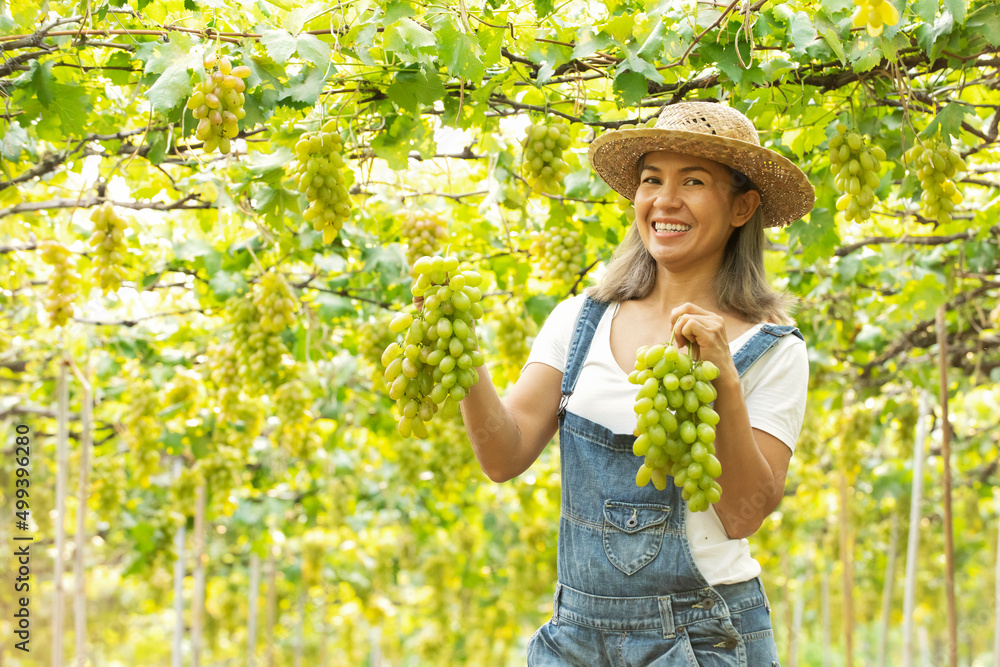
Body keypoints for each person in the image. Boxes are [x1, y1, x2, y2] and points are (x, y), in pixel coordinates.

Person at [460, 101, 814, 665]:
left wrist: (722, 375)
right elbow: (503, 457)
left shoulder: (773, 350)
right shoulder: (580, 320)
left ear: (742, 207)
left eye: (693, 181)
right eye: (652, 180)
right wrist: (461, 356)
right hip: (575, 635)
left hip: (703, 635)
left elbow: (744, 514)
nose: (665, 200)